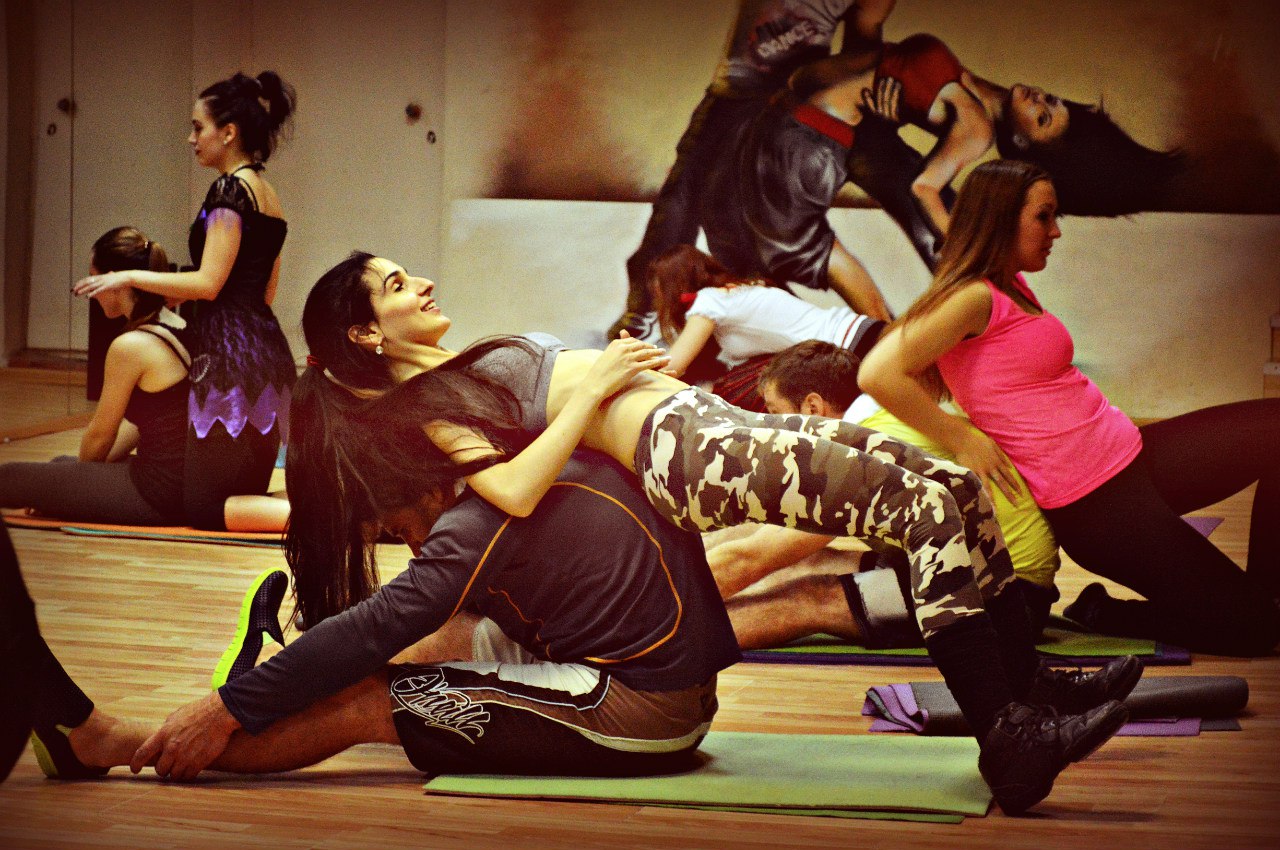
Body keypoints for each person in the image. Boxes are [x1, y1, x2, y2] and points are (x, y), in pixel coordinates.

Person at [288, 251, 1143, 813]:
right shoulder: (428, 406)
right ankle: (1009, 739)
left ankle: (1024, 686)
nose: (420, 283)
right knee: (919, 513)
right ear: (366, 333)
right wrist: (597, 389)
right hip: (691, 451)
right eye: (394, 287)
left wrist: (617, 378)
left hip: (701, 423)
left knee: (955, 487)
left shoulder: (453, 370)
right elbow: (509, 488)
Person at [14, 453, 739, 783]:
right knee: (431, 641)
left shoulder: (473, 524)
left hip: (644, 707)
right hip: (639, 664)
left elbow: (374, 628)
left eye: (401, 528)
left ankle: (116, 744)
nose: (412, 545)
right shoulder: (511, 459)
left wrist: (225, 708)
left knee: (366, 700)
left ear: (426, 489)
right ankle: (254, 696)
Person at [859, 158, 1280, 657]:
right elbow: (877, 372)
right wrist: (961, 437)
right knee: (1257, 633)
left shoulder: (1010, 284)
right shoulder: (970, 297)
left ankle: (1266, 596)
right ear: (1000, 219)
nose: (1056, 231)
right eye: (1043, 217)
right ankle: (1110, 613)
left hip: (1136, 457)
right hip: (1100, 507)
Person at [73, 72, 297, 531]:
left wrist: (129, 275)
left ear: (228, 133)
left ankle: (340, 520)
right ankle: (336, 514)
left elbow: (210, 283)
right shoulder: (269, 195)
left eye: (198, 128)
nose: (191, 139)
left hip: (232, 362)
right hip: (267, 351)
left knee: (205, 507)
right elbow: (264, 292)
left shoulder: (229, 191)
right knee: (239, 492)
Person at [611, 0, 897, 340]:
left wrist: (868, 87)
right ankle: (645, 306)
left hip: (788, 98)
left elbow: (864, 35)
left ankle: (879, 338)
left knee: (757, 231)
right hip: (734, 92)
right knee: (685, 202)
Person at [791, 25, 1183, 249]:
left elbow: (923, 188)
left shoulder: (975, 128)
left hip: (810, 109)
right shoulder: (972, 90)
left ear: (1025, 144)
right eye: (1051, 100)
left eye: (1042, 118)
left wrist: (967, 251)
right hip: (806, 77)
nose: (1038, 99)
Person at [0, 228, 287, 531]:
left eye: (94, 279)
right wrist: (68, 484)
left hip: (159, 492)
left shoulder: (131, 347)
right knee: (59, 464)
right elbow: (139, 425)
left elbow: (101, 436)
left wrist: (73, 486)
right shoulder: (181, 325)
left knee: (9, 478)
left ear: (112, 281)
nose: (93, 295)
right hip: (183, 480)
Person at [648, 245, 884, 382]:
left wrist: (633, 371)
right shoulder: (733, 292)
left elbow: (672, 367)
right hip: (859, 333)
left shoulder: (710, 301)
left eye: (661, 292)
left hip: (851, 345)